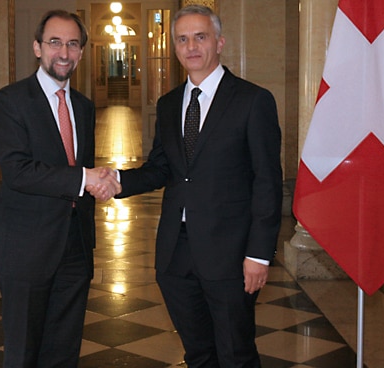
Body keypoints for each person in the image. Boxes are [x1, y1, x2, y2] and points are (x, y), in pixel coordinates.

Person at [95, 5, 282, 367]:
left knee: (236, 353)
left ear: (220, 42)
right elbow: (161, 169)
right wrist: (117, 180)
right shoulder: (168, 105)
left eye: (200, 37)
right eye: (182, 39)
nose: (191, 46)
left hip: (230, 253)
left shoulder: (252, 101)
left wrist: (259, 254)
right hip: (175, 254)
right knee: (197, 352)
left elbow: (267, 182)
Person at [0, 9, 121, 368]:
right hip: (26, 249)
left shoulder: (84, 106)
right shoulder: (9, 101)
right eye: (55, 42)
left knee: (64, 350)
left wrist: (100, 182)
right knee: (24, 352)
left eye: (73, 44)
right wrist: (86, 178)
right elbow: (18, 171)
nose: (64, 52)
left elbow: (81, 168)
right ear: (37, 48)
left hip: (75, 246)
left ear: (81, 52)